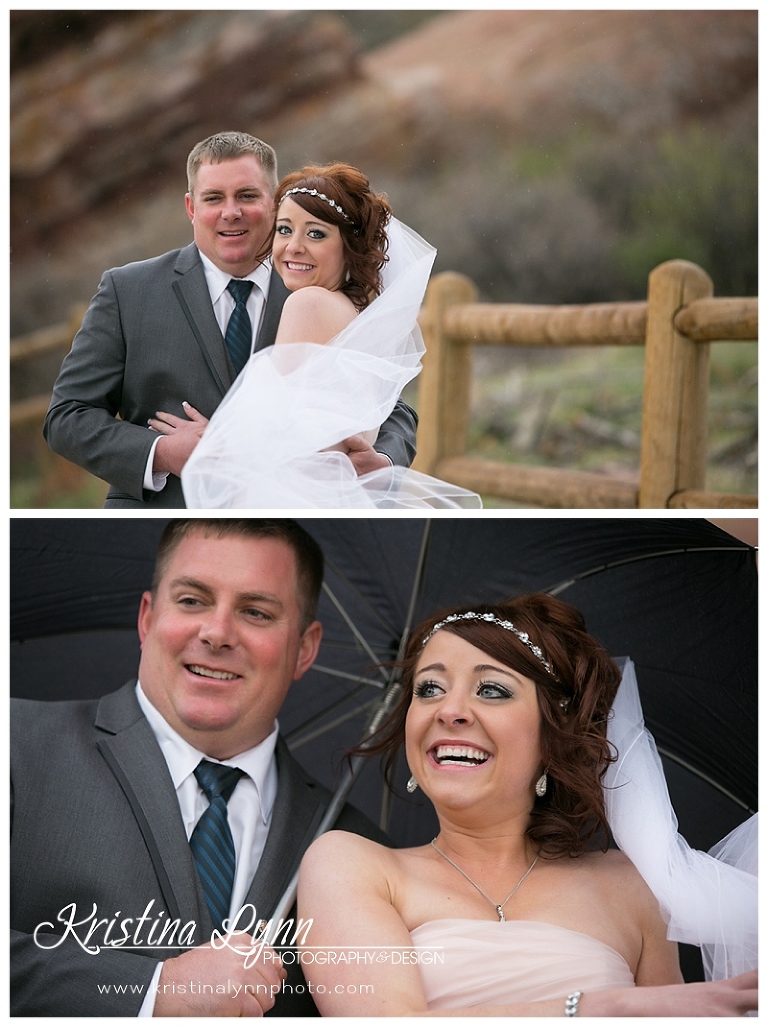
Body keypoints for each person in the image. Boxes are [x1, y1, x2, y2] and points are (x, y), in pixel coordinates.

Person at [298, 594, 758, 1015]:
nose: (448, 710)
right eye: (430, 688)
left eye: (492, 690)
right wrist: (598, 1009)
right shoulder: (349, 864)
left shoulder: (632, 887)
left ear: (551, 732)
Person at [10, 518, 388, 1016]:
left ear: (305, 648)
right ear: (147, 619)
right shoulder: (14, 741)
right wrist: (155, 991)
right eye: (192, 600)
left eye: (256, 612)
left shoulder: (359, 848)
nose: (217, 633)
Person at [43, 133, 419, 508]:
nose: (230, 212)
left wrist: (383, 462)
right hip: (160, 512)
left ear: (273, 203)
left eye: (247, 195)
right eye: (213, 198)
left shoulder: (310, 282)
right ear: (191, 207)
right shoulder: (128, 291)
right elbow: (67, 415)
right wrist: (161, 452)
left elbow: (387, 404)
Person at [172, 163, 482, 509]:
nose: (294, 247)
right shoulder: (354, 314)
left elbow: (279, 435)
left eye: (316, 234)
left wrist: (213, 439)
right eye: (285, 230)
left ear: (349, 246)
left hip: (296, 497)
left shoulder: (309, 305)